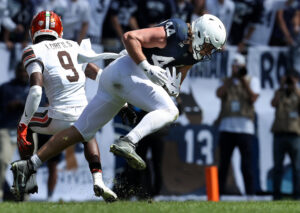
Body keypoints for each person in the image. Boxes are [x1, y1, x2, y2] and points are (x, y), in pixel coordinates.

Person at [10, 13, 227, 198]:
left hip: (114, 80)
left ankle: (29, 165)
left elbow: (181, 71)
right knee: (170, 111)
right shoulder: (177, 30)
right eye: (208, 46)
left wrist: (174, 87)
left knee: (80, 132)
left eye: (212, 49)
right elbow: (130, 37)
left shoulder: (193, 52)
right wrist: (148, 68)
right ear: (199, 33)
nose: (208, 52)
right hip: (127, 71)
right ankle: (129, 141)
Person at [10, 10, 128, 202]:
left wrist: (23, 123)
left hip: (57, 116)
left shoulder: (33, 50)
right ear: (59, 30)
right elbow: (98, 74)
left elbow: (36, 92)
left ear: (34, 31)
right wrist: (122, 101)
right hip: (82, 116)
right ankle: (98, 179)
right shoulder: (73, 45)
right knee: (88, 131)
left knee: (28, 124)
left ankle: (28, 175)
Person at [215, 53, 260, 196]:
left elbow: (253, 98)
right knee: (224, 164)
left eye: (239, 67)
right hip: (227, 127)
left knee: (246, 165)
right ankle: (218, 195)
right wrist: (231, 79)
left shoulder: (252, 80)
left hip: (245, 129)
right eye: (234, 66)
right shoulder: (225, 81)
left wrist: (243, 80)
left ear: (244, 66)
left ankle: (250, 195)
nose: (236, 69)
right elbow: (219, 94)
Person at [0, 62, 29, 201]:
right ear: (16, 72)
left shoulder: (35, 89)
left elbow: (44, 107)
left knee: (28, 164)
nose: (23, 74)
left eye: (25, 71)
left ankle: (25, 196)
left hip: (28, 130)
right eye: (21, 71)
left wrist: (24, 105)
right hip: (7, 128)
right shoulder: (6, 88)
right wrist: (9, 105)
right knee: (3, 160)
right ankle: (2, 193)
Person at [271, 72, 300, 200]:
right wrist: (281, 87)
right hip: (279, 134)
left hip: (294, 135)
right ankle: (276, 195)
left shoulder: (298, 94)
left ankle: (297, 195)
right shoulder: (280, 93)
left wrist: (296, 88)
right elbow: (273, 103)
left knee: (297, 167)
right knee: (277, 167)